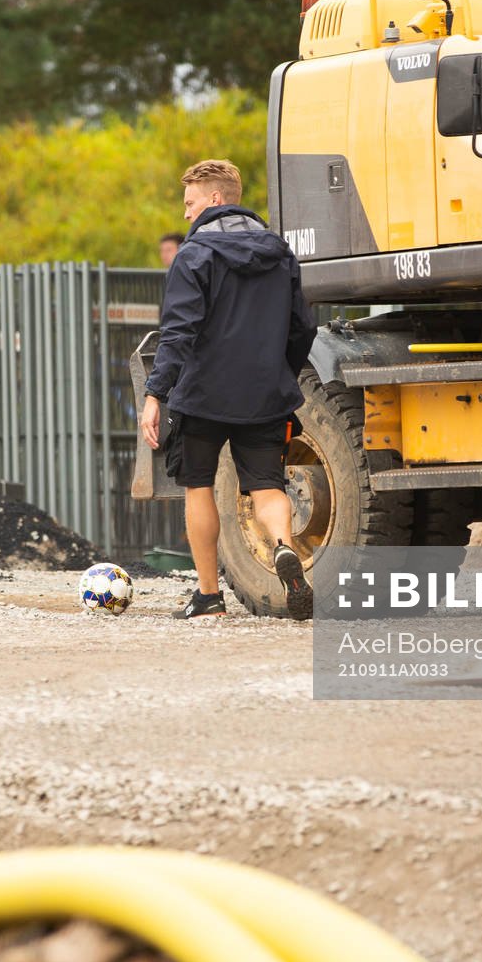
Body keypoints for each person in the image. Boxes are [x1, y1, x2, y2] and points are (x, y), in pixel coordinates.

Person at [140, 160, 317, 621]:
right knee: (266, 485)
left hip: (203, 395)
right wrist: (281, 373)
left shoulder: (193, 256)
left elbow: (177, 331)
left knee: (199, 486)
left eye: (190, 202)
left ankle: (208, 597)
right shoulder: (280, 254)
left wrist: (155, 394)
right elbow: (303, 325)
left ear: (214, 200)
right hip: (263, 392)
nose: (186, 214)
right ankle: (281, 546)